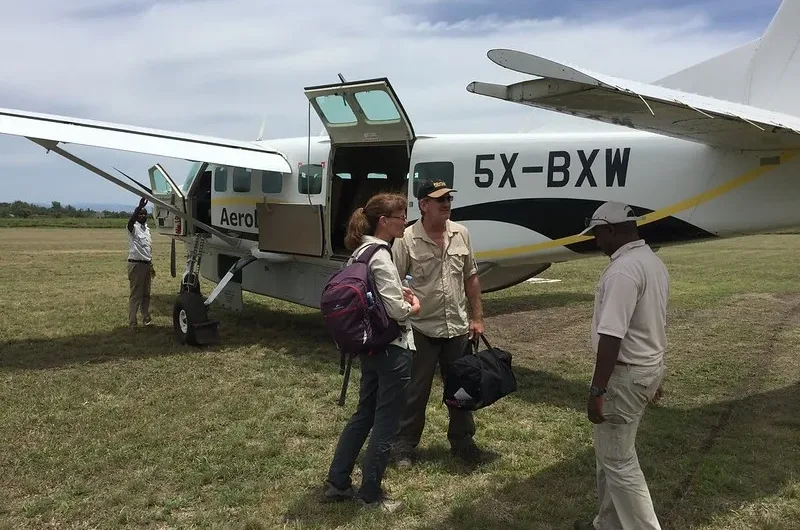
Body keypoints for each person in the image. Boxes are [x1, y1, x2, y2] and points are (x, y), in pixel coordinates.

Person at [322, 192, 421, 513]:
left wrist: (395, 293)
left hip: (370, 347)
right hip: (393, 349)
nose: (405, 220)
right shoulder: (382, 254)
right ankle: (370, 494)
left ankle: (337, 482)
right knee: (385, 422)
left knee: (363, 414)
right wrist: (414, 305)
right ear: (384, 222)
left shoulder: (360, 252)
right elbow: (397, 309)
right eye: (401, 216)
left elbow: (375, 294)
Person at [574, 201, 669, 530]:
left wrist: (597, 388)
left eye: (598, 234)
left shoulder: (623, 271)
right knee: (610, 457)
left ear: (612, 230)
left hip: (625, 376)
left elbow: (612, 335)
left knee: (618, 460)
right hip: (645, 369)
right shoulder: (651, 262)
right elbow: (652, 323)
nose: (596, 242)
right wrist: (654, 374)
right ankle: (608, 524)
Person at [390, 179, 490, 467]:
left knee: (460, 388)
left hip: (457, 328)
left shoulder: (462, 234)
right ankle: (404, 446)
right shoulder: (406, 239)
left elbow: (470, 277)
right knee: (414, 391)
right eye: (439, 200)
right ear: (423, 205)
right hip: (421, 329)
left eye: (449, 199)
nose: (446, 204)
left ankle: (462, 442)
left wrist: (477, 318)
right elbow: (395, 283)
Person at [127, 197, 154, 328]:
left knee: (146, 294)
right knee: (136, 294)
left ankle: (145, 317)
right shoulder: (134, 228)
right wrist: (138, 207)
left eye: (144, 213)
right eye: (140, 214)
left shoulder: (147, 230)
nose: (142, 215)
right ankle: (132, 321)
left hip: (146, 264)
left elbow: (147, 249)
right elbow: (130, 222)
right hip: (136, 265)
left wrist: (150, 264)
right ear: (136, 216)